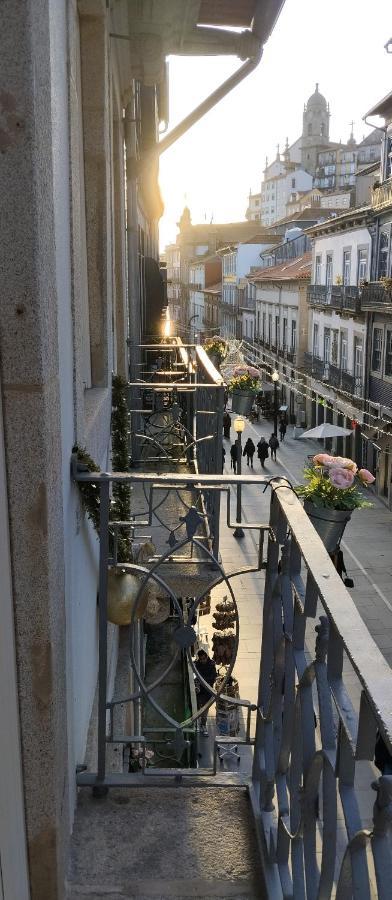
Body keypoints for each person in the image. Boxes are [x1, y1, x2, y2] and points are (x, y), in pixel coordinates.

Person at [194, 649, 217, 736]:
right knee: (198, 708)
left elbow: (213, 677)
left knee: (205, 709)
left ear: (207, 657)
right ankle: (198, 724)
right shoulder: (197, 665)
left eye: (204, 658)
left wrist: (202, 680)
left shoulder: (211, 664)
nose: (203, 660)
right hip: (199, 692)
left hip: (207, 691)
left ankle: (203, 725)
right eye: (201, 659)